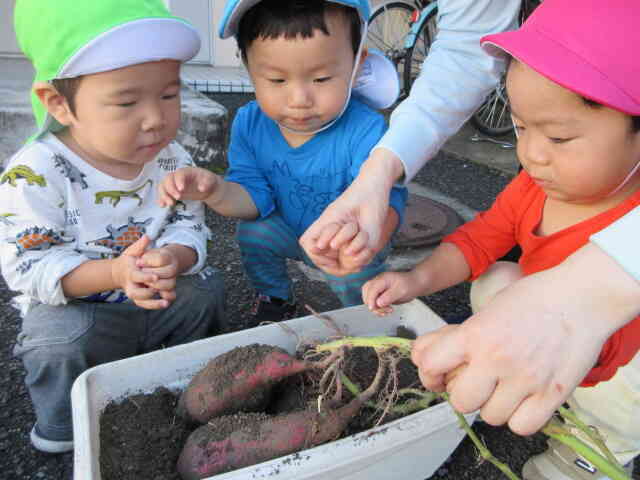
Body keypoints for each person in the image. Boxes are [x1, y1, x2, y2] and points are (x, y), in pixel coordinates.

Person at [299, 0, 640, 440]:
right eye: (520, 127)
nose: (531, 154)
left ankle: (595, 447)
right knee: (497, 275)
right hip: (543, 330)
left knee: (624, 396)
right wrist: (415, 280)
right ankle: (550, 391)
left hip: (620, 360)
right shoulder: (534, 187)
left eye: (558, 136)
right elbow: (478, 241)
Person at [1, 0, 227, 454]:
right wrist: (116, 275)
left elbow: (189, 227)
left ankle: (190, 389)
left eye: (168, 94)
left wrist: (173, 258)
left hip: (155, 295)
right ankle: (66, 428)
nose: (155, 118)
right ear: (59, 103)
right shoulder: (37, 171)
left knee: (204, 291)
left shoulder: (170, 158)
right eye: (126, 102)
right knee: (57, 340)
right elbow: (29, 265)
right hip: (79, 307)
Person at [158, 0, 407, 325]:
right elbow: (253, 198)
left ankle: (362, 315)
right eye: (277, 80)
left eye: (321, 79)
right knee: (254, 233)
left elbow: (388, 201)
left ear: (357, 65)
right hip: (287, 229)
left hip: (345, 243)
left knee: (359, 291)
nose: (299, 99)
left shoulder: (366, 130)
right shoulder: (250, 123)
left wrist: (365, 240)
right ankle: (275, 296)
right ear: (247, 67)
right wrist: (216, 191)